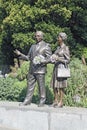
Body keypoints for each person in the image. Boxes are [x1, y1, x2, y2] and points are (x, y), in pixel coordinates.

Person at [14, 31, 52, 107]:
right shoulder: (32, 46)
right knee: (29, 85)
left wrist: (42, 61)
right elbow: (28, 57)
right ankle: (27, 100)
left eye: (38, 36)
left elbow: (50, 58)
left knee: (41, 86)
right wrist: (20, 54)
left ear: (42, 36)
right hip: (32, 69)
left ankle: (42, 100)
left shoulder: (46, 46)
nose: (36, 37)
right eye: (35, 36)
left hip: (41, 69)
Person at [50, 32, 70, 107]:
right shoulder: (58, 48)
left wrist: (58, 58)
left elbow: (68, 60)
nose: (58, 39)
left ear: (62, 38)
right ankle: (55, 100)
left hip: (62, 68)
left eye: (59, 37)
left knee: (61, 86)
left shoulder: (65, 48)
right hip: (56, 68)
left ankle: (61, 102)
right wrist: (52, 59)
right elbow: (54, 57)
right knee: (54, 85)